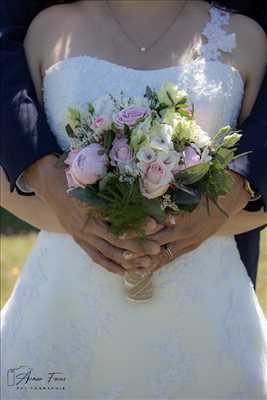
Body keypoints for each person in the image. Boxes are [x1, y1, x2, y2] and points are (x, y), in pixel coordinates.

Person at [1, 0, 267, 398]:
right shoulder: (47, 31)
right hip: (65, 308)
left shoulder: (244, 38)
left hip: (206, 311)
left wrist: (216, 206)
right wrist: (77, 212)